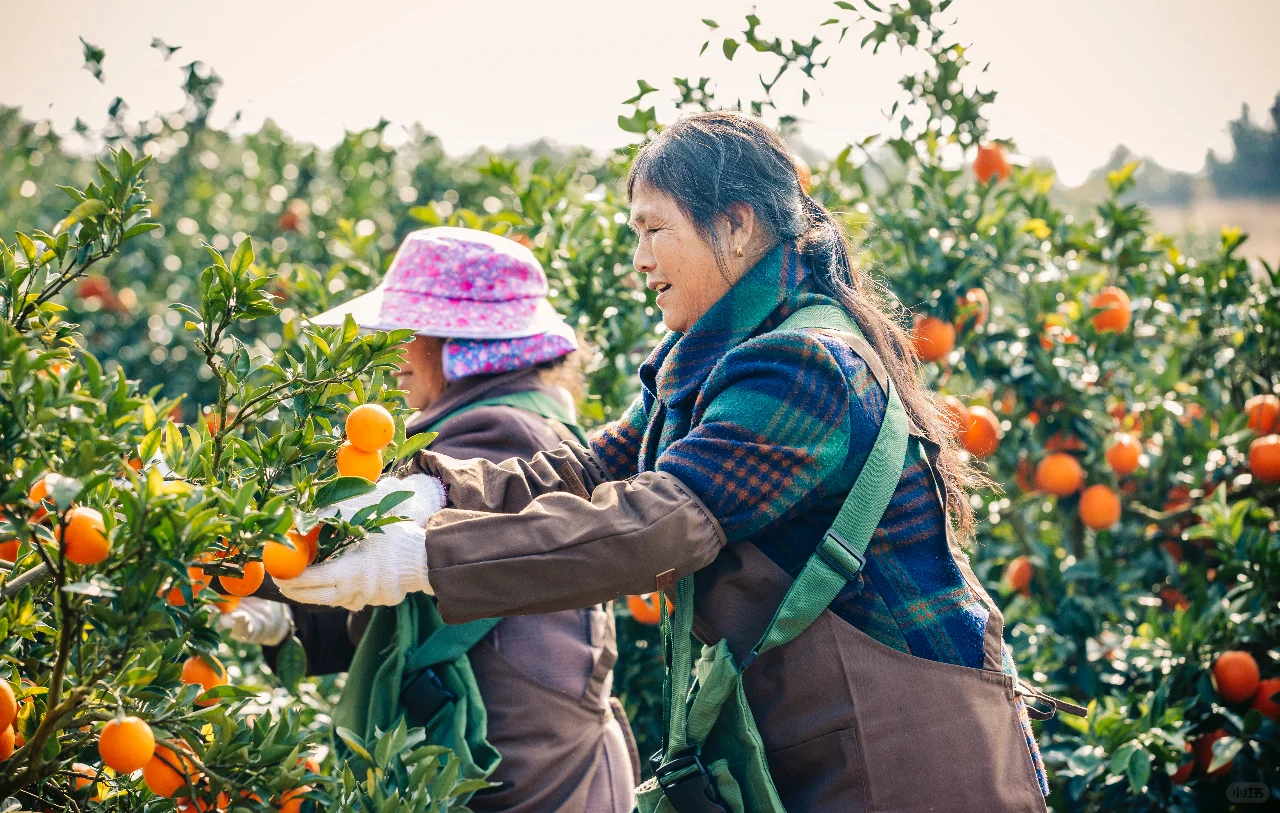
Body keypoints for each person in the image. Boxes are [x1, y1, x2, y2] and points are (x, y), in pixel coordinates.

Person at [277, 113, 1072, 812]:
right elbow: (590, 470)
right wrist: (429, 492)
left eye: (655, 229)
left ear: (734, 226)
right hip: (819, 743)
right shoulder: (705, 359)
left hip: (906, 761)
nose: (639, 257)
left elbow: (662, 523)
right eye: (633, 232)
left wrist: (424, 557)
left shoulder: (806, 365)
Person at [226, 227, 638, 813]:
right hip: (543, 751)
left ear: (461, 343)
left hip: (513, 762)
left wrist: (251, 564)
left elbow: (413, 566)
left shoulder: (499, 433)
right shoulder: (519, 421)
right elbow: (406, 596)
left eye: (409, 331)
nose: (394, 352)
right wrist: (283, 616)